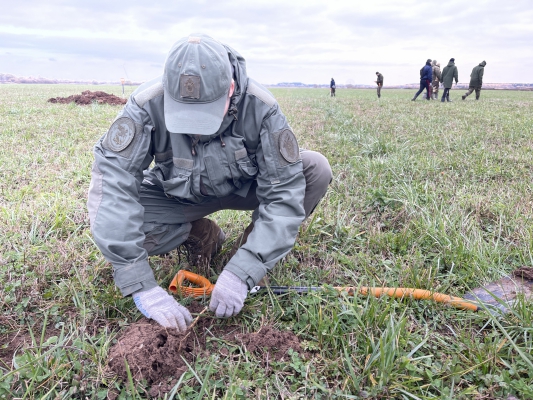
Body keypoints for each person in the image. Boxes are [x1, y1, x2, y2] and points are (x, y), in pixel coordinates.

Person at [87, 34, 332, 332]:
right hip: (180, 195)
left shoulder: (262, 107)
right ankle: (201, 234)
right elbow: (113, 182)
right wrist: (139, 283)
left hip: (247, 189)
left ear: (231, 88)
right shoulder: (146, 104)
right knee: (120, 218)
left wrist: (244, 271)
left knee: (314, 168)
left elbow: (284, 192)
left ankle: (246, 251)